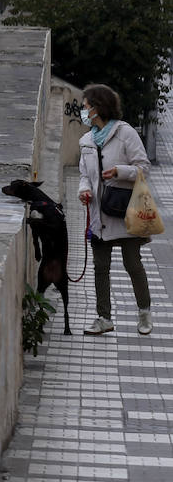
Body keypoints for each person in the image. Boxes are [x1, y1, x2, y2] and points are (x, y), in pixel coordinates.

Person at [77, 83, 154, 336]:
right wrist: (83, 190)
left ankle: (144, 312)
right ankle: (104, 317)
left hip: (124, 211)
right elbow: (84, 175)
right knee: (101, 267)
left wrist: (121, 171)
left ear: (98, 108)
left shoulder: (125, 133)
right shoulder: (87, 140)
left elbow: (143, 167)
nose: (83, 110)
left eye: (86, 106)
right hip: (99, 213)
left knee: (133, 264)